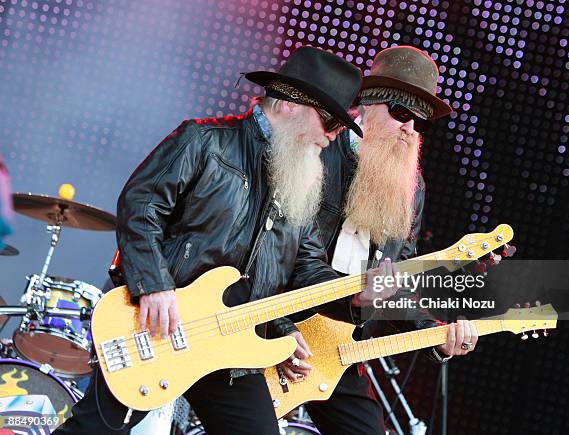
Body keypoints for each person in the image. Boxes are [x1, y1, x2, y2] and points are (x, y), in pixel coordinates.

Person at [54, 47, 401, 435]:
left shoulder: (300, 182)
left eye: (339, 127)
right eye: (329, 121)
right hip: (159, 327)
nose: (333, 135)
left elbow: (306, 268)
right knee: (94, 430)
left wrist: (353, 297)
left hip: (233, 348)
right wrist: (153, 285)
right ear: (289, 103)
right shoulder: (204, 141)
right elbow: (141, 206)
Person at [275, 46, 480, 434]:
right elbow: (275, 247)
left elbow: (392, 285)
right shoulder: (319, 149)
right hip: (278, 323)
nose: (409, 129)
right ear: (367, 105)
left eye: (419, 123)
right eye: (401, 113)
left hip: (338, 345)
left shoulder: (412, 189)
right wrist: (282, 325)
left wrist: (437, 336)